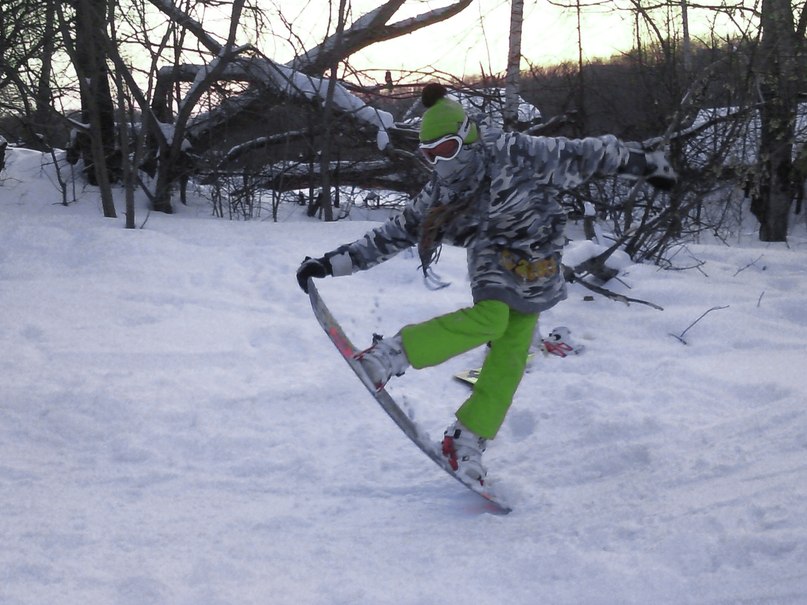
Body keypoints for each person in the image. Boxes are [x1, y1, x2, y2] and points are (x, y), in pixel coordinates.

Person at [296, 83, 676, 484]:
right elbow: (401, 229)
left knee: (510, 357)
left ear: (468, 136)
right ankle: (389, 355)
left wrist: (645, 161)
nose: (439, 163)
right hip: (493, 255)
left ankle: (467, 439)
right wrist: (334, 263)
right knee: (492, 317)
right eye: (429, 156)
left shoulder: (520, 154)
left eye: (446, 150)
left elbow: (587, 154)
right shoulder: (446, 187)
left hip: (540, 259)